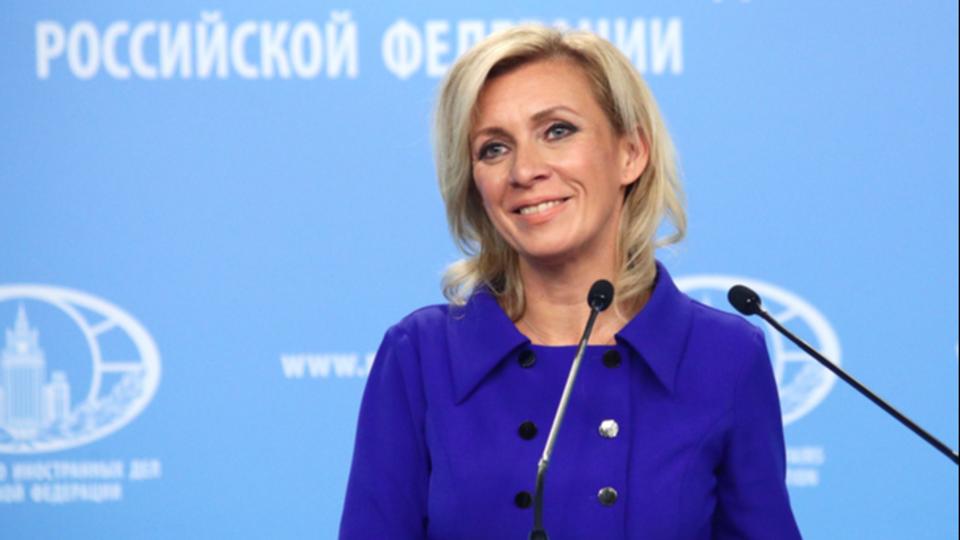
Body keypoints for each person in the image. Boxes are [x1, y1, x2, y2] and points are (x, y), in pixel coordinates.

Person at [340, 25, 801, 539]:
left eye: (557, 131)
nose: (524, 170)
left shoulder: (724, 356)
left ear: (631, 153)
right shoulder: (421, 356)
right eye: (493, 148)